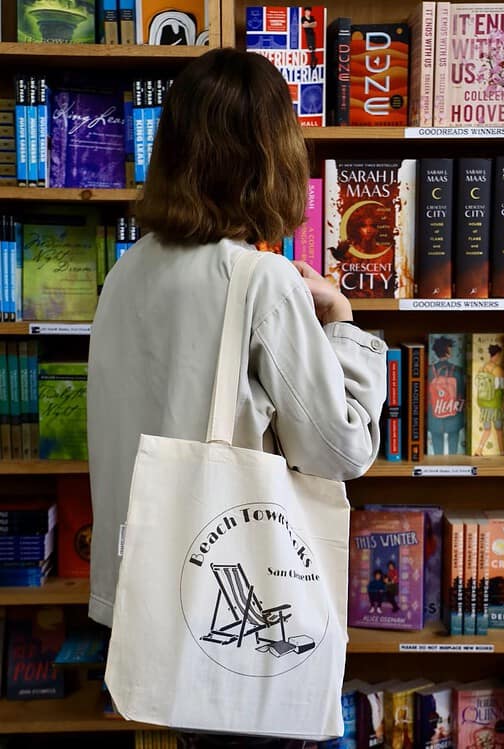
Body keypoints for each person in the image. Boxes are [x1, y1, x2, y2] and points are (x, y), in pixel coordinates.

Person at [86, 48, 387, 748]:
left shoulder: (127, 271)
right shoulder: (261, 281)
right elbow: (342, 449)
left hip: (153, 599)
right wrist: (341, 321)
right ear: (272, 156)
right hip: (244, 605)